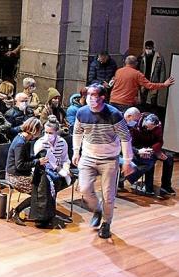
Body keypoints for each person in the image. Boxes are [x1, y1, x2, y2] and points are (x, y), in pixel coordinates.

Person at [72, 84, 134, 239]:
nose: (89, 98)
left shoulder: (114, 114)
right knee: (84, 188)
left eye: (93, 95)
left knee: (108, 194)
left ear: (102, 97)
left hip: (109, 159)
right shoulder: (82, 112)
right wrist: (76, 151)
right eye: (88, 95)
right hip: (88, 156)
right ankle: (97, 210)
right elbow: (77, 132)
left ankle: (106, 223)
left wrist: (127, 160)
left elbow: (125, 138)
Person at [122, 109, 175, 197]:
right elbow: (130, 142)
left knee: (169, 158)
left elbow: (159, 141)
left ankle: (166, 187)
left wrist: (152, 150)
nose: (148, 129)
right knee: (149, 159)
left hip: (151, 147)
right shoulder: (135, 123)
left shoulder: (157, 126)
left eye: (150, 129)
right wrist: (140, 151)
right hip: (138, 147)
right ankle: (147, 186)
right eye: (146, 128)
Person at [109, 55, 174, 112]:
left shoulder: (118, 71)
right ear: (136, 63)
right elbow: (149, 85)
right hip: (125, 103)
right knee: (123, 124)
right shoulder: (137, 74)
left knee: (112, 123)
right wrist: (164, 84)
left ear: (125, 62)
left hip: (113, 100)